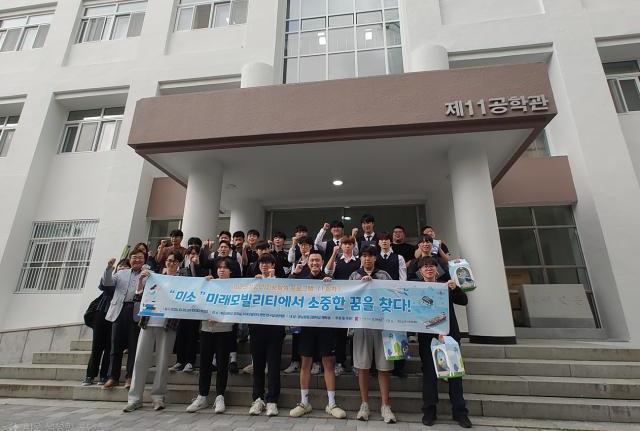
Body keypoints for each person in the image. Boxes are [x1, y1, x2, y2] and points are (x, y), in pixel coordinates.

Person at [289, 250, 347, 420]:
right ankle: (304, 402)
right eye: (312, 260)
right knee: (305, 363)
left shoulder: (329, 280)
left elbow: (340, 297)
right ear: (308, 262)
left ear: (322, 262)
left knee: (328, 363)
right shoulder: (302, 280)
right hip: (306, 328)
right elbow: (287, 290)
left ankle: (332, 403)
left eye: (317, 260)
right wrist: (294, 275)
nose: (314, 263)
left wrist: (331, 285)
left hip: (326, 328)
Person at [122, 251, 182, 412]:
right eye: (168, 260)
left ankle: (158, 396)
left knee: (162, 362)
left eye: (174, 261)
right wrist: (141, 281)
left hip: (168, 324)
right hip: (148, 322)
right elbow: (138, 296)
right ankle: (135, 398)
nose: (170, 263)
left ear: (179, 264)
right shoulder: (154, 277)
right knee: (140, 360)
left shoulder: (182, 281)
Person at [417, 257, 472, 428]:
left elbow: (463, 301)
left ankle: (460, 412)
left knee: (454, 374)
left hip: (449, 336)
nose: (429, 269)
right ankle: (429, 411)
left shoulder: (446, 286)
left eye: (432, 266)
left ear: (437, 269)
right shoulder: (415, 289)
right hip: (427, 338)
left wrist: (455, 289)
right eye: (425, 267)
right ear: (420, 271)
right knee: (429, 375)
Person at [348, 246, 397, 424]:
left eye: (370, 256)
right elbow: (348, 298)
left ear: (376, 258)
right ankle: (364, 404)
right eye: (364, 255)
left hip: (382, 325)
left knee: (384, 367)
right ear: (360, 258)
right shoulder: (354, 275)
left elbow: (393, 295)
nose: (367, 259)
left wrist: (374, 285)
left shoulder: (383, 275)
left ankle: (385, 405)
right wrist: (361, 285)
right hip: (361, 325)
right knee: (362, 366)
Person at [186, 257, 237, 414]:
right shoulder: (209, 284)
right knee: (205, 364)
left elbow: (236, 307)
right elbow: (198, 302)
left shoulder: (236, 287)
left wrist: (220, 317)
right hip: (206, 329)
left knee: (222, 365)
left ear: (230, 271)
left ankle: (220, 396)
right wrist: (202, 284)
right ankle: (202, 396)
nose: (221, 270)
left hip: (224, 330)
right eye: (219, 267)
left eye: (225, 267)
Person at [102, 246, 147, 389]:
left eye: (140, 258)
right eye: (134, 258)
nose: (137, 260)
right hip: (119, 310)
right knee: (115, 346)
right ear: (130, 259)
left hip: (136, 311)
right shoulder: (121, 273)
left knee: (134, 347)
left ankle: (129, 377)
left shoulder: (149, 274)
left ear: (144, 260)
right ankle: (112, 377)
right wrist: (109, 268)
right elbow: (107, 283)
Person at [82, 258, 130, 386]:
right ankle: (90, 375)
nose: (123, 268)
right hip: (102, 314)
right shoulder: (112, 279)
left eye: (126, 267)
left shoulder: (128, 284)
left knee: (110, 347)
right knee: (97, 346)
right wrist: (109, 268)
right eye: (120, 266)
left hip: (116, 316)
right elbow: (104, 284)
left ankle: (104, 375)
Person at [248, 254, 286, 416]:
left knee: (274, 366)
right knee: (258, 366)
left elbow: (285, 300)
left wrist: (272, 281)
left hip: (275, 330)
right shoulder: (253, 283)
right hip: (256, 328)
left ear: (273, 265)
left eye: (268, 263)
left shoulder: (280, 282)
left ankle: (272, 400)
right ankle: (257, 399)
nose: (264, 265)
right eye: (262, 263)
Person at [324, 236, 360, 377]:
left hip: (355, 302)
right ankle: (339, 362)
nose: (347, 246)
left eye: (350, 244)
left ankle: (356, 364)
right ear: (341, 246)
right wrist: (334, 253)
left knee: (355, 335)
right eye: (345, 244)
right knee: (339, 335)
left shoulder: (358, 261)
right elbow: (327, 272)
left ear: (353, 245)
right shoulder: (337, 260)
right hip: (339, 302)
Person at [169, 245, 207, 373]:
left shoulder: (203, 270)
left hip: (195, 307)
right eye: (190, 253)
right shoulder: (181, 271)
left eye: (195, 253)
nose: (192, 256)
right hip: (182, 307)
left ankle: (190, 361)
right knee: (181, 334)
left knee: (192, 334)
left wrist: (196, 266)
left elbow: (200, 282)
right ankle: (180, 360)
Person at [376, 233, 408, 377]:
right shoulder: (374, 257)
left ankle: (399, 367)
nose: (384, 242)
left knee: (398, 332)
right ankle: (378, 366)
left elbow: (403, 278)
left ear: (391, 242)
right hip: (378, 300)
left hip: (395, 298)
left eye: (386, 240)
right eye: (381, 240)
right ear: (378, 243)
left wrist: (399, 295)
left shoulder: (399, 257)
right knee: (378, 332)